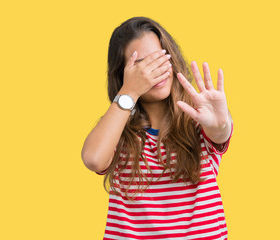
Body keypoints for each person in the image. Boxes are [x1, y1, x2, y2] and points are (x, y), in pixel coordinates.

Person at [81, 16, 233, 240]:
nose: (156, 70)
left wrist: (220, 124)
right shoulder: (117, 131)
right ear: (123, 75)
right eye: (142, 64)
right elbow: (93, 158)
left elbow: (220, 132)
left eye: (160, 58)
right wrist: (129, 92)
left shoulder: (200, 119)